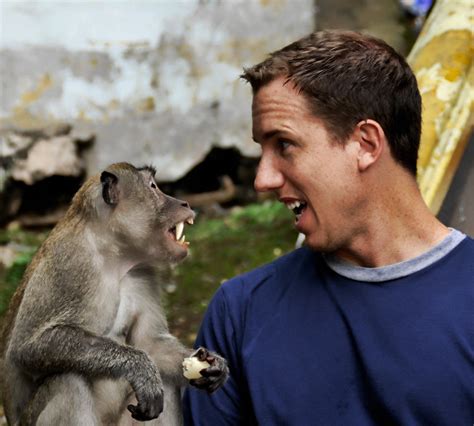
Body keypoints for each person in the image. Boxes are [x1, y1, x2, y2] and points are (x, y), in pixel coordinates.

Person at [183, 30, 474, 425]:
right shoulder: (239, 313)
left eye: (283, 144)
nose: (262, 179)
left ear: (366, 144)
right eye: (261, 149)